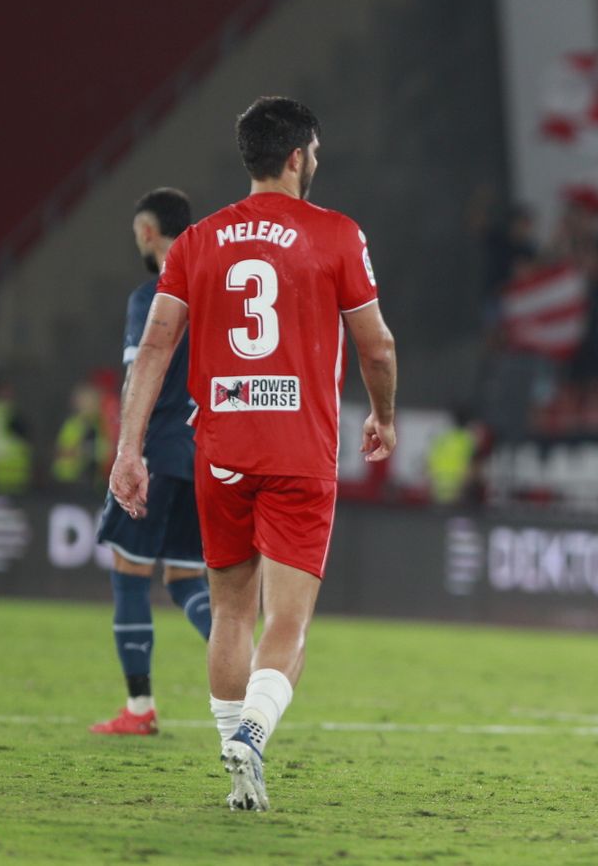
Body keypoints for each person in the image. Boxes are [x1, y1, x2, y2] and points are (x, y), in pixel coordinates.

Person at [108, 97, 398, 811]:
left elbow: (154, 347)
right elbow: (377, 344)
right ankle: (253, 735)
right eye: (316, 153)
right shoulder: (336, 234)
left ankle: (235, 760)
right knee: (288, 621)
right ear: (298, 156)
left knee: (231, 614)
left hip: (222, 450)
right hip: (300, 450)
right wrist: (384, 417)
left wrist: (128, 449)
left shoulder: (199, 240)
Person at [91, 188, 213, 736]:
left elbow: (141, 373)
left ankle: (139, 709)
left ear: (146, 232)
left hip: (158, 452)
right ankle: (250, 663)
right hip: (206, 455)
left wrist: (128, 451)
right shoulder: (217, 293)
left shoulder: (153, 295)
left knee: (130, 571)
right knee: (187, 576)